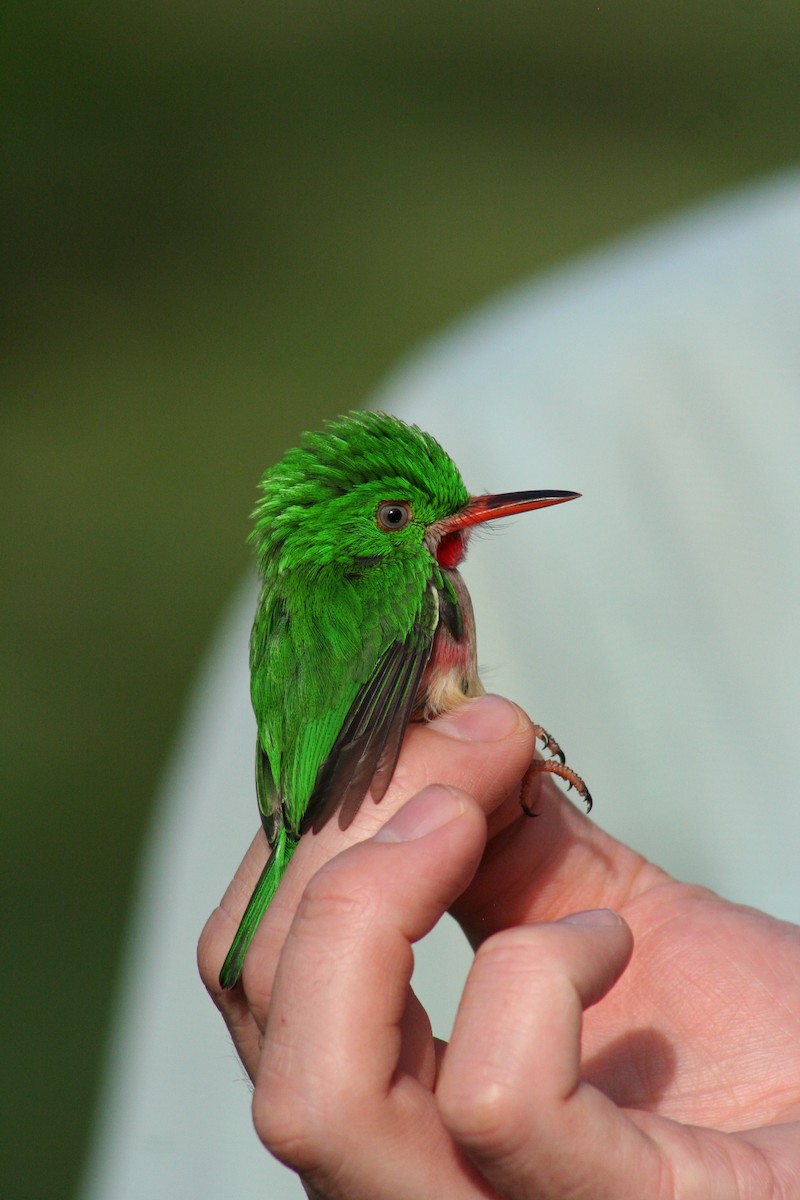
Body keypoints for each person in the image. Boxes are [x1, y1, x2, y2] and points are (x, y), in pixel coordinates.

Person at [81, 171, 800, 1199]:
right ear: (368, 537)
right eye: (399, 518)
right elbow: (361, 720)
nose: (436, 531)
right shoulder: (397, 572)